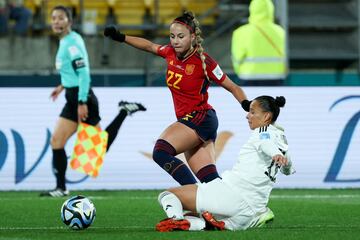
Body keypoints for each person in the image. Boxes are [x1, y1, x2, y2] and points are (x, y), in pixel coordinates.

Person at [104, 11, 248, 186]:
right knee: (211, 181)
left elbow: (233, 87)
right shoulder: (170, 52)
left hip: (200, 118)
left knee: (160, 151)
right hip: (191, 122)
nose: (175, 41)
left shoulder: (205, 62)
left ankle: (193, 195)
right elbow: (149, 46)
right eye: (172, 36)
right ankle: (246, 209)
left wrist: (246, 105)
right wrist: (121, 37)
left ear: (193, 37)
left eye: (181, 36)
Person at [40, 6, 146, 197]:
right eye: (53, 18)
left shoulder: (72, 43)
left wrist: (82, 102)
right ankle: (61, 188)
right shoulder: (66, 41)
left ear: (69, 22)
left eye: (60, 18)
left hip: (82, 98)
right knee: (56, 141)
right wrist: (62, 85)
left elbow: (84, 74)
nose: (56, 21)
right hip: (72, 96)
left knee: (97, 150)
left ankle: (124, 111)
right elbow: (72, 72)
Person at [155, 95, 295, 232]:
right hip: (250, 213)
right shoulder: (282, 139)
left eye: (252, 112)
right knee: (200, 220)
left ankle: (176, 220)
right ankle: (205, 224)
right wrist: (279, 156)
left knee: (168, 195)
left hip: (233, 196)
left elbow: (265, 143)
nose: (248, 116)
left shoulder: (262, 132)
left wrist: (274, 153)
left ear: (266, 117)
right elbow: (288, 169)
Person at [231, 0, 286, 86]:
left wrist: (240, 72)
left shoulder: (241, 32)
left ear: (252, 9)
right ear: (270, 10)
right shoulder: (280, 32)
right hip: (276, 78)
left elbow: (236, 59)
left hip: (248, 78)